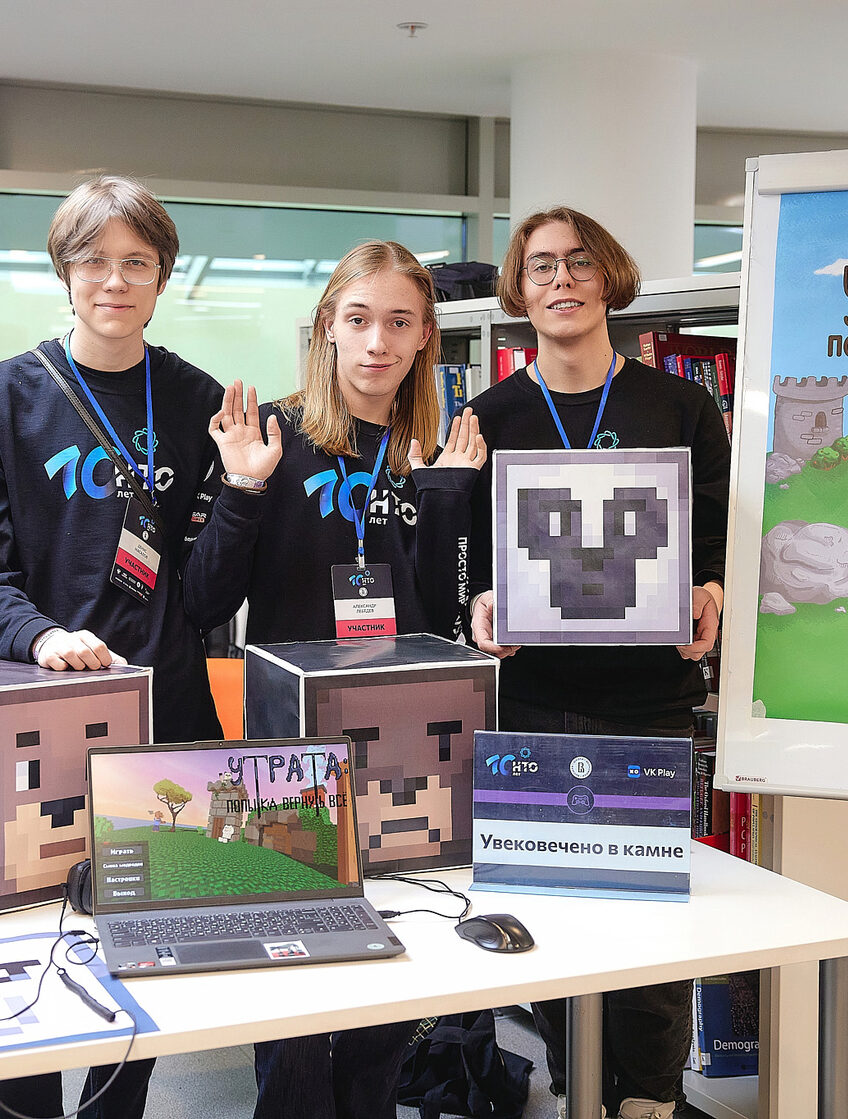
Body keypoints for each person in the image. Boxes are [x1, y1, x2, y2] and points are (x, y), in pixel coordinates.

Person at [0, 173, 279, 1119]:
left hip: (163, 721)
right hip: (34, 719)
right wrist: (41, 634)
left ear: (163, 276)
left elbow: (205, 596)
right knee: (27, 956)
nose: (115, 280)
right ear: (65, 270)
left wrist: (245, 492)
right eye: (95, 261)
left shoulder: (199, 400)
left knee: (145, 958)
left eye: (137, 262)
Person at [184, 239, 486, 1119]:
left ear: (426, 336)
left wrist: (446, 495)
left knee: (389, 974)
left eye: (398, 322)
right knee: (293, 988)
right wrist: (242, 491)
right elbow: (203, 599)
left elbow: (443, 619)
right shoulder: (272, 437)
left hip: (400, 750)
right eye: (358, 319)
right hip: (288, 754)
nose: (377, 343)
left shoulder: (430, 450)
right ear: (326, 326)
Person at [465, 207, 729, 1119]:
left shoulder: (680, 406)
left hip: (649, 699)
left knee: (649, 922)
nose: (562, 280)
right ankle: (579, 1087)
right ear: (518, 288)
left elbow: (716, 536)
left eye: (579, 262)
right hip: (532, 701)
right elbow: (468, 557)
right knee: (549, 919)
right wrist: (479, 604)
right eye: (541, 266)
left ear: (610, 277)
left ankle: (650, 1097)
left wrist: (712, 591)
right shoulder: (488, 417)